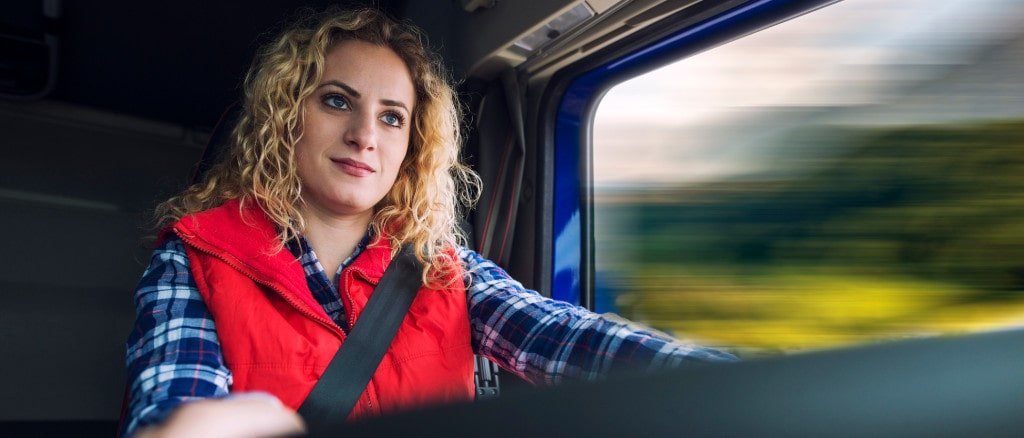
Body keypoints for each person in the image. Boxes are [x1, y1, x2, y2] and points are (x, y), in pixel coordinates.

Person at [122, 7, 736, 438]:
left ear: (412, 144)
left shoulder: (445, 269)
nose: (364, 135)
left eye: (391, 117)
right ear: (286, 118)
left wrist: (731, 382)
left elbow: (566, 337)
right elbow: (177, 397)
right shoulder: (196, 259)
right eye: (337, 100)